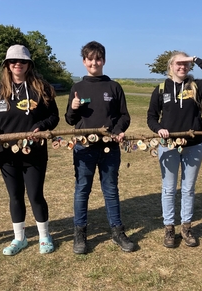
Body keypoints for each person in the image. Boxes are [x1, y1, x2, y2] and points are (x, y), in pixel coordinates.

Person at [0, 45, 59, 256]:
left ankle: (44, 236)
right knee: (15, 196)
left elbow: (54, 117)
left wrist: (41, 127)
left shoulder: (41, 88)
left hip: (35, 151)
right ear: (7, 64)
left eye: (22, 61)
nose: (17, 64)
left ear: (29, 64)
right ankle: (19, 238)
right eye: (13, 61)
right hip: (6, 152)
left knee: (35, 195)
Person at [147, 52, 202, 248]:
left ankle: (186, 227)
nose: (182, 67)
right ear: (171, 66)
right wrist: (158, 129)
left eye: (186, 64)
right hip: (168, 146)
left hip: (194, 145)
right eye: (178, 63)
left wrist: (195, 59)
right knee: (169, 189)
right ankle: (169, 228)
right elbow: (151, 117)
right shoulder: (161, 89)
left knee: (188, 189)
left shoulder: (196, 87)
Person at [65, 41, 134, 254]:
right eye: (90, 59)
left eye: (98, 58)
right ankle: (80, 233)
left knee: (111, 190)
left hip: (109, 148)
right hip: (84, 148)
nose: (94, 62)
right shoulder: (77, 87)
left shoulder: (114, 87)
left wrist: (118, 130)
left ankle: (117, 231)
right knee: (82, 190)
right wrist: (74, 108)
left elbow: (124, 116)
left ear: (103, 60)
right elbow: (69, 119)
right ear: (84, 61)